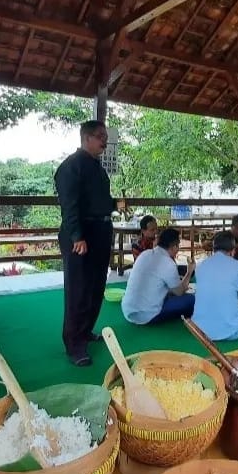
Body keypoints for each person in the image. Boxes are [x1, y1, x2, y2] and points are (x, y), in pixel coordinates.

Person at [54, 119, 120, 367]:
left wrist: (115, 205)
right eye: (100, 136)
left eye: (105, 136)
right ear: (86, 138)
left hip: (101, 230)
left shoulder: (97, 167)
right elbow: (69, 206)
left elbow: (98, 201)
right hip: (82, 234)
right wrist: (76, 236)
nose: (105, 140)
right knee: (79, 289)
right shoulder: (71, 166)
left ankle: (85, 331)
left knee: (95, 286)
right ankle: (74, 344)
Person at [122, 228, 195, 325]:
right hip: (147, 316)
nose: (178, 249)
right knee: (191, 299)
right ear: (174, 246)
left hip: (127, 311)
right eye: (178, 245)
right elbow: (179, 292)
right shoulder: (168, 263)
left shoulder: (145, 254)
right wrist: (189, 271)